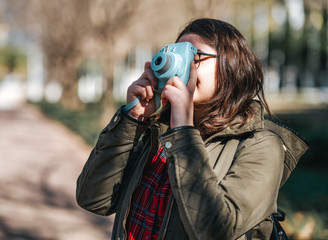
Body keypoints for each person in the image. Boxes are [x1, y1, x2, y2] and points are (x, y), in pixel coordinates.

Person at [76, 18, 309, 240]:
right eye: (174, 56)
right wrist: (132, 119)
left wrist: (183, 131)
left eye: (194, 56)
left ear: (232, 66)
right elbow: (94, 200)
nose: (181, 67)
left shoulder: (261, 145)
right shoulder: (159, 132)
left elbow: (215, 229)